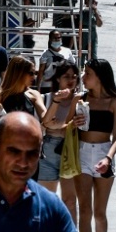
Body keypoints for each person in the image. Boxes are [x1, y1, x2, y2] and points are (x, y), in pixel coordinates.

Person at [75, 59, 116, 232]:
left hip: (104, 152)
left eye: (88, 73)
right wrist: (73, 123)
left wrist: (109, 158)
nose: (83, 77)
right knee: (84, 209)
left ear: (100, 77)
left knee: (99, 211)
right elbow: (68, 127)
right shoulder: (81, 99)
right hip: (83, 152)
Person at [37, 62, 86, 218]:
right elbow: (45, 123)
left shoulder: (81, 101)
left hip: (70, 151)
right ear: (58, 79)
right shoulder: (47, 98)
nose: (71, 80)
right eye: (66, 76)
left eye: (74, 76)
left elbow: (54, 124)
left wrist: (57, 125)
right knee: (46, 200)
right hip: (49, 151)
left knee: (70, 201)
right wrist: (57, 103)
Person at [0, 56, 47, 132]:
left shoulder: (34, 94)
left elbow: (45, 118)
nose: (34, 77)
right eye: (31, 73)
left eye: (35, 73)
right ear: (19, 73)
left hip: (26, 140)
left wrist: (56, 101)